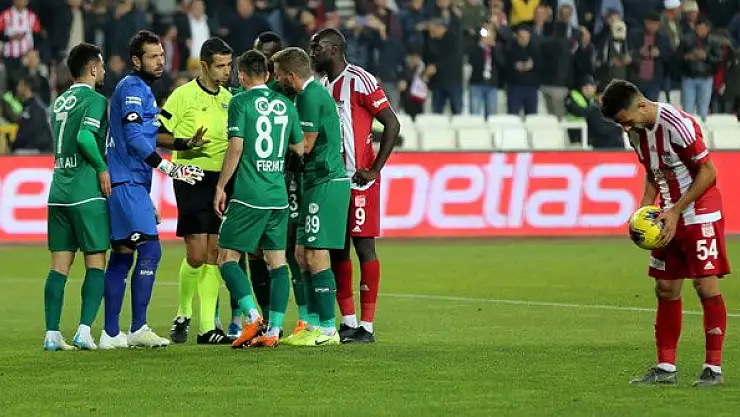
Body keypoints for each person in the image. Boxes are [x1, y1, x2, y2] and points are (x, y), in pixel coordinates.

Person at [601, 79, 729, 387]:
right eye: (621, 124)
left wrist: (676, 211)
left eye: (627, 120)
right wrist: (644, 211)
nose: (625, 128)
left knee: (705, 286)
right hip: (666, 213)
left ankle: (713, 368)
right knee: (666, 289)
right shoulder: (635, 132)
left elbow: (709, 172)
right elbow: (652, 172)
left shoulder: (677, 125)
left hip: (698, 209)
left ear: (641, 105)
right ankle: (665, 367)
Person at [101, 30, 205, 349]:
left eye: (162, 55)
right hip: (127, 180)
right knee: (150, 250)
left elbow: (149, 134)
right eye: (153, 56)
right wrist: (169, 168)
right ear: (136, 60)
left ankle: (110, 333)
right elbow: (134, 138)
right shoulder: (133, 88)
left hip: (129, 181)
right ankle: (138, 328)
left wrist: (184, 144)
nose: (160, 61)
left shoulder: (142, 89)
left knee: (122, 255)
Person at [309, 28, 400, 343]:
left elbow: (392, 123)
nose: (313, 53)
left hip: (360, 181)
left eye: (317, 47)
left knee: (364, 248)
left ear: (334, 49)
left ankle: (367, 325)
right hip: (332, 182)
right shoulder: (322, 86)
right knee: (337, 249)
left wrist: (374, 169)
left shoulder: (360, 80)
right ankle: (348, 321)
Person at [214, 49, 304, 348]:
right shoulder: (286, 104)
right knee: (277, 263)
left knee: (226, 258)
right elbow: (299, 148)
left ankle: (252, 317)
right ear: (267, 74)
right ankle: (274, 330)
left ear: (241, 76)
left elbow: (236, 147)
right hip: (278, 196)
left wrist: (221, 186)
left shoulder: (240, 102)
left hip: (249, 195)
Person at [272, 46, 351, 347]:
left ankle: (329, 330)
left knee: (316, 254)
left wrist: (271, 148)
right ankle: (313, 324)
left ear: (291, 76)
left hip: (326, 181)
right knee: (301, 253)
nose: (277, 80)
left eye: (279, 75)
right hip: (313, 181)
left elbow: (304, 145)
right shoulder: (307, 95)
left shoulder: (310, 96)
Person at [161, 37, 234, 345]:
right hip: (190, 176)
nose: (226, 71)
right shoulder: (182, 96)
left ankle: (207, 328)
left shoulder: (229, 99)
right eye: (220, 66)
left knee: (214, 253)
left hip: (221, 180)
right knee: (196, 254)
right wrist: (186, 144)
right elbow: (158, 134)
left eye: (229, 65)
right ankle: (183, 313)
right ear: (204, 65)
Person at [43, 43, 110, 351]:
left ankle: (52, 334)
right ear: (93, 68)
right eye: (102, 66)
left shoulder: (59, 102)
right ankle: (84, 331)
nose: (104, 71)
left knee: (59, 266)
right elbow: (84, 137)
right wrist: (101, 168)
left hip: (58, 191)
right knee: (96, 261)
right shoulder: (95, 100)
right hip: (85, 192)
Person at [254, 31, 309, 339]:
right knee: (257, 252)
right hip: (261, 179)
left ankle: (304, 318)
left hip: (289, 178)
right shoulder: (256, 92)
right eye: (262, 57)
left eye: (271, 58)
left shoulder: (293, 91)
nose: (267, 65)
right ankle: (261, 317)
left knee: (291, 249)